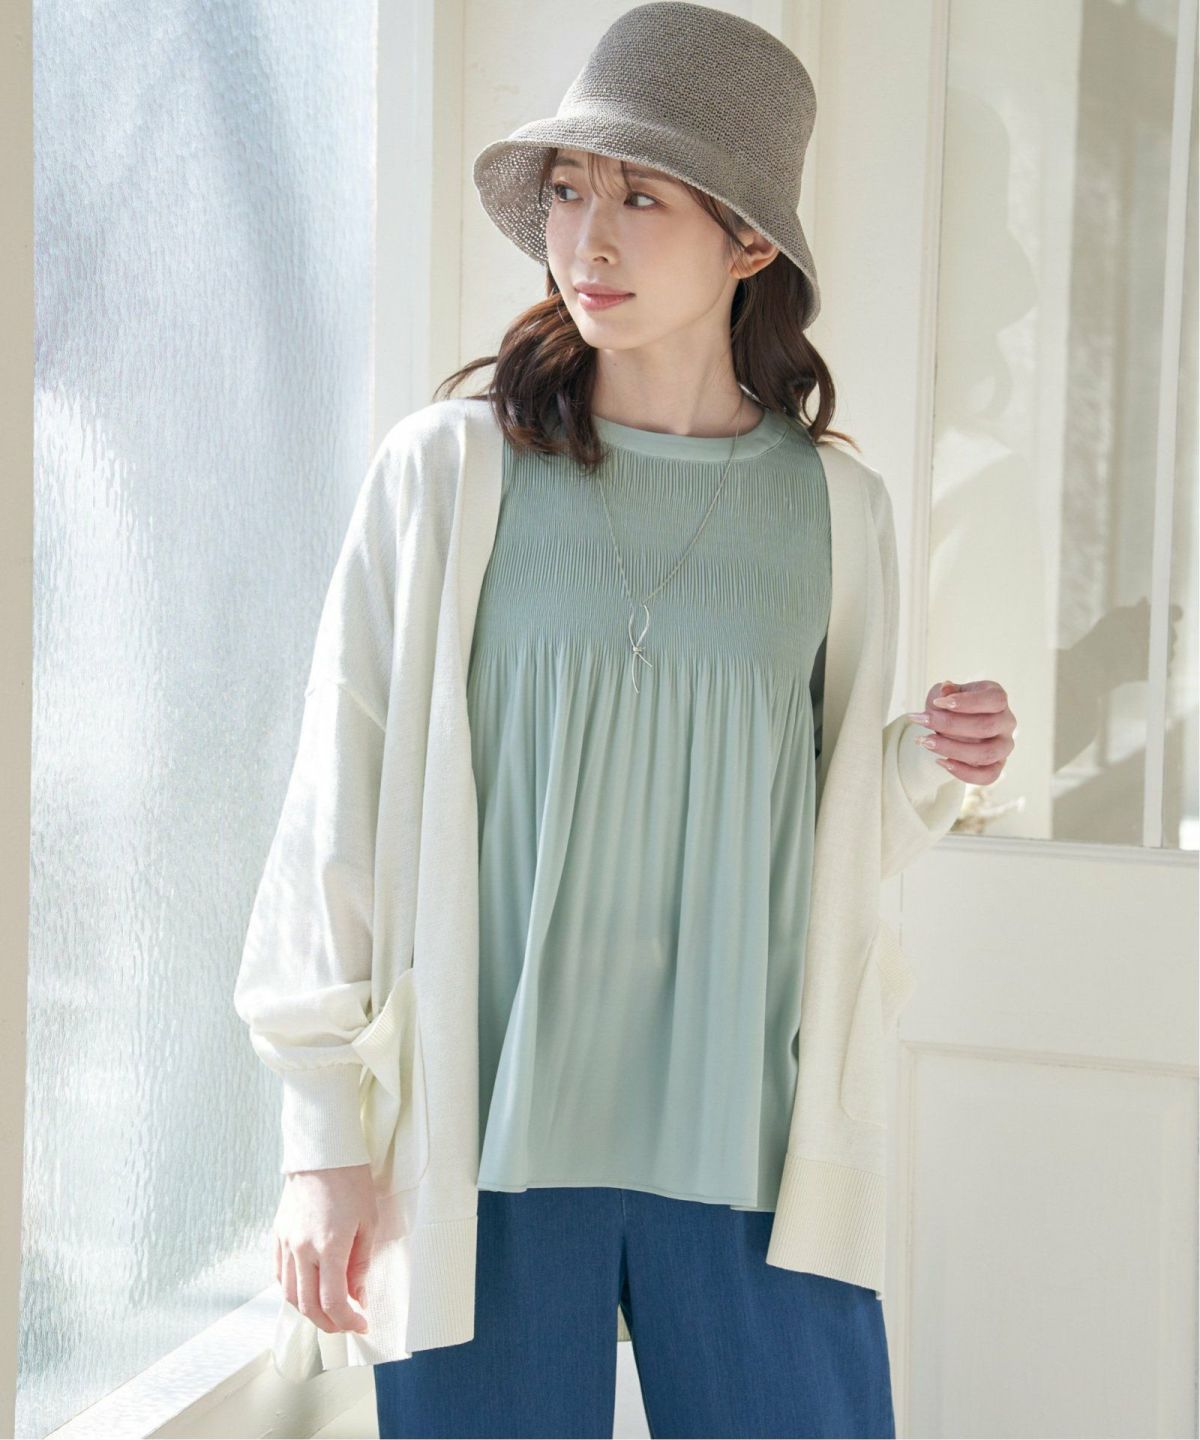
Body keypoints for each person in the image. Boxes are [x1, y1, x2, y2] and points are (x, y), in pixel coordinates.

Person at [238, 5, 1015, 1436]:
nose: (586, 239)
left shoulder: (836, 512)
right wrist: (320, 1138)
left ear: (750, 242)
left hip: (751, 1145)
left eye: (642, 197)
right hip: (488, 1144)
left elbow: (825, 836)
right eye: (568, 190)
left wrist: (922, 768)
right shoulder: (448, 475)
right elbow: (337, 799)